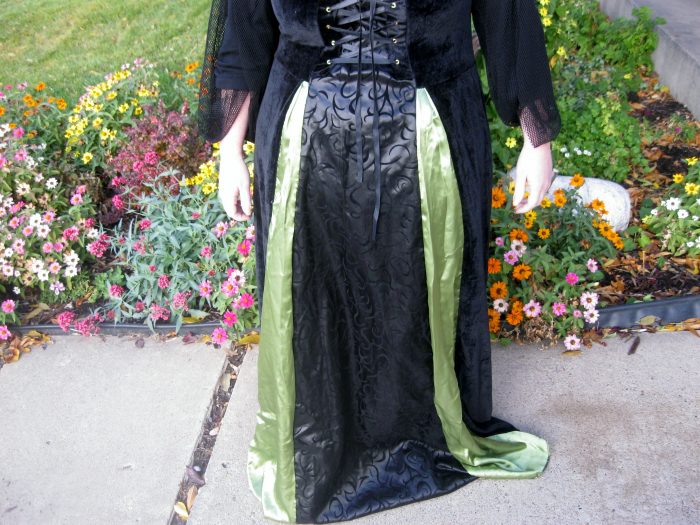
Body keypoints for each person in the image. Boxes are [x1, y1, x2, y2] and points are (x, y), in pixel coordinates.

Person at [197, 0, 562, 523]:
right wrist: (229, 152)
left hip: (429, 129)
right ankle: (318, 442)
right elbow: (244, 30)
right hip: (307, 137)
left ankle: (425, 429)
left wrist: (536, 138)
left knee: (421, 292)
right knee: (315, 299)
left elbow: (507, 14)